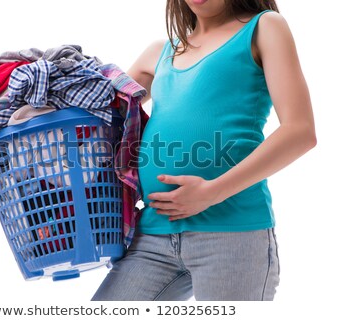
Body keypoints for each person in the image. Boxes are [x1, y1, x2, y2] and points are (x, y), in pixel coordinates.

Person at [92, 0, 316, 301]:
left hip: (232, 235)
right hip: (153, 235)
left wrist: (212, 192)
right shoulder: (159, 53)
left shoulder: (263, 27)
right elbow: (95, 116)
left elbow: (300, 131)